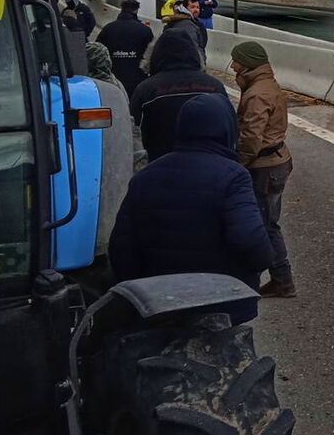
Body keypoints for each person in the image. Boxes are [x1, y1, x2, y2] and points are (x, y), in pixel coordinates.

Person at [109, 93, 273, 325]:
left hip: (159, 300)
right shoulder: (233, 176)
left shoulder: (145, 176)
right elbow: (251, 241)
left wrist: (141, 286)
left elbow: (121, 246)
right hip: (222, 303)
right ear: (227, 129)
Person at [228, 42, 296, 298]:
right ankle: (276, 277)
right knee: (266, 222)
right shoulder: (266, 85)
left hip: (265, 167)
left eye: (235, 61)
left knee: (265, 225)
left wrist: (237, 164)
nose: (232, 65)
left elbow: (251, 137)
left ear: (246, 63)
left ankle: (282, 278)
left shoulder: (257, 93)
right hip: (275, 161)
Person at [129, 32, 228, 162]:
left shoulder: (146, 89)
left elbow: (134, 131)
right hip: (210, 165)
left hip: (160, 165)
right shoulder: (215, 87)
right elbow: (228, 127)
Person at [95, 0, 153, 95]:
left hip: (113, 78)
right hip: (137, 78)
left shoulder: (109, 28)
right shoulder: (145, 30)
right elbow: (151, 54)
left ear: (121, 9)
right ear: (136, 10)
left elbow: (97, 50)